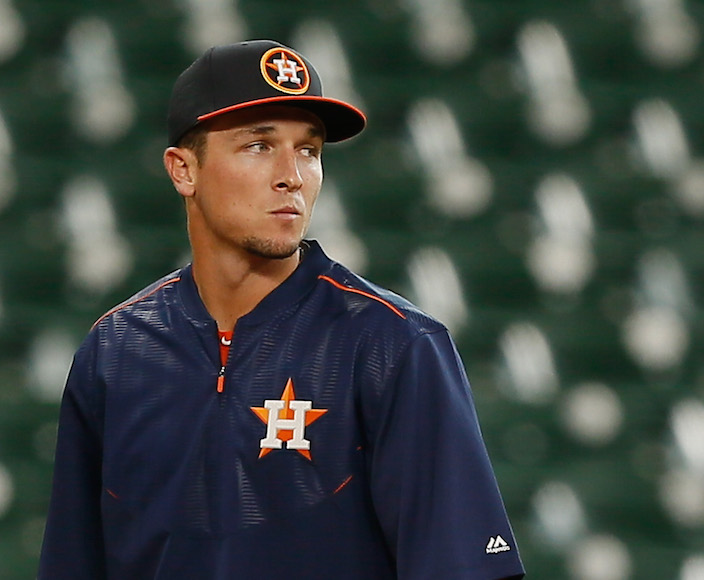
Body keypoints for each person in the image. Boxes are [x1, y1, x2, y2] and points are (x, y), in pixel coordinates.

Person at [38, 39, 525, 579]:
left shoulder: (394, 345)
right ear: (183, 170)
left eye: (309, 150)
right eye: (259, 146)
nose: (292, 175)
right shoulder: (116, 350)